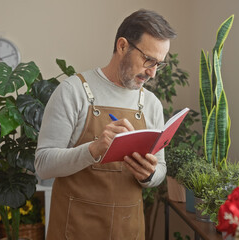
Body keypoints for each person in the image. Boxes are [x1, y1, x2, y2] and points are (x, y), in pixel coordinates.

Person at [35, 9, 176, 240]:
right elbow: (43, 165)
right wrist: (93, 149)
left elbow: (161, 169)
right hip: (75, 229)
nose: (152, 73)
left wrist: (149, 175)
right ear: (122, 46)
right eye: (148, 60)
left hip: (128, 231)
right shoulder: (73, 91)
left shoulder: (151, 104)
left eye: (158, 64)